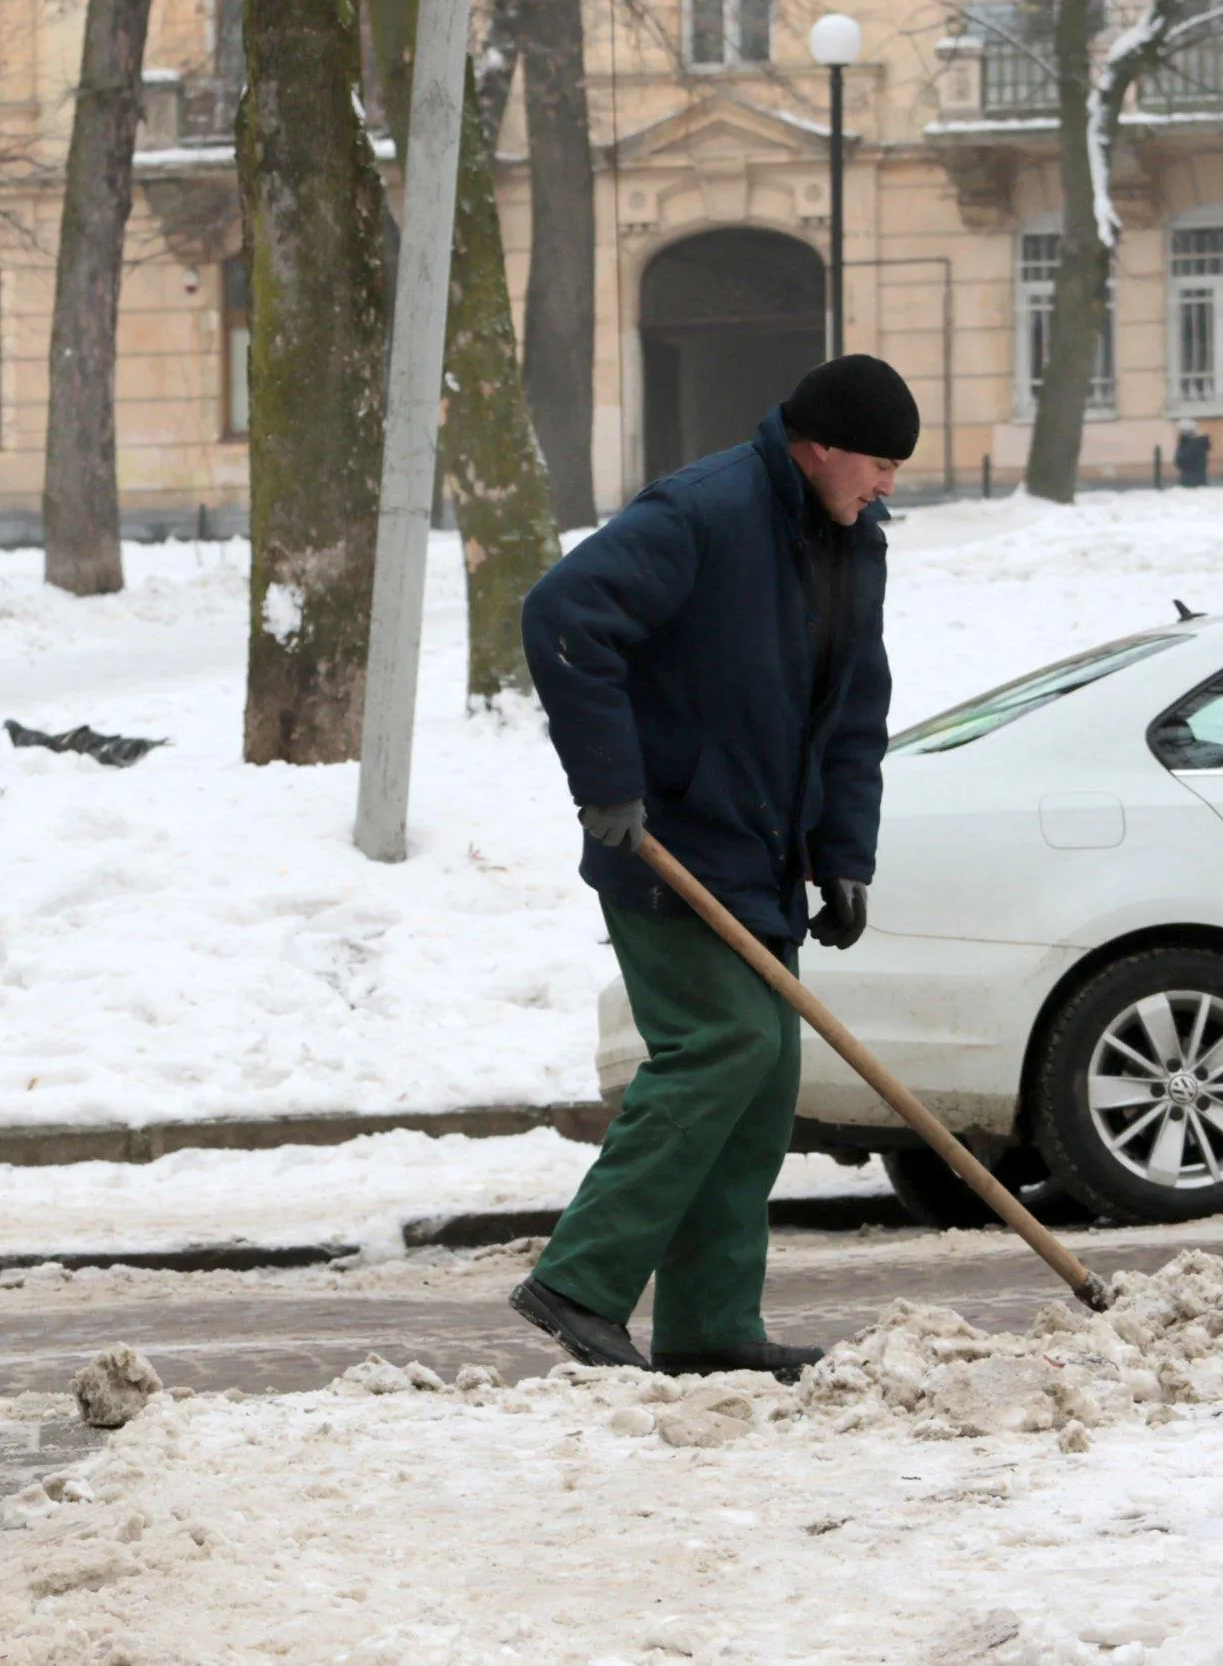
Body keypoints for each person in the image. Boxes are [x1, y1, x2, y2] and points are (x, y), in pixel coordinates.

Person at [510, 354, 912, 1385]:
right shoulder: (703, 513)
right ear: (816, 447)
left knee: (764, 1079)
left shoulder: (852, 545)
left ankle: (709, 1324)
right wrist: (610, 784)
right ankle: (578, 1281)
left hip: (764, 855)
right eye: (876, 463)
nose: (887, 486)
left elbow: (853, 706)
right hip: (666, 846)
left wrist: (843, 853)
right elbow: (564, 617)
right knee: (722, 1044)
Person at [1174, 418, 1211, 488]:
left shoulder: (1188, 445)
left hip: (1189, 480)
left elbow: (1181, 461)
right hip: (1198, 478)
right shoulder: (1199, 444)